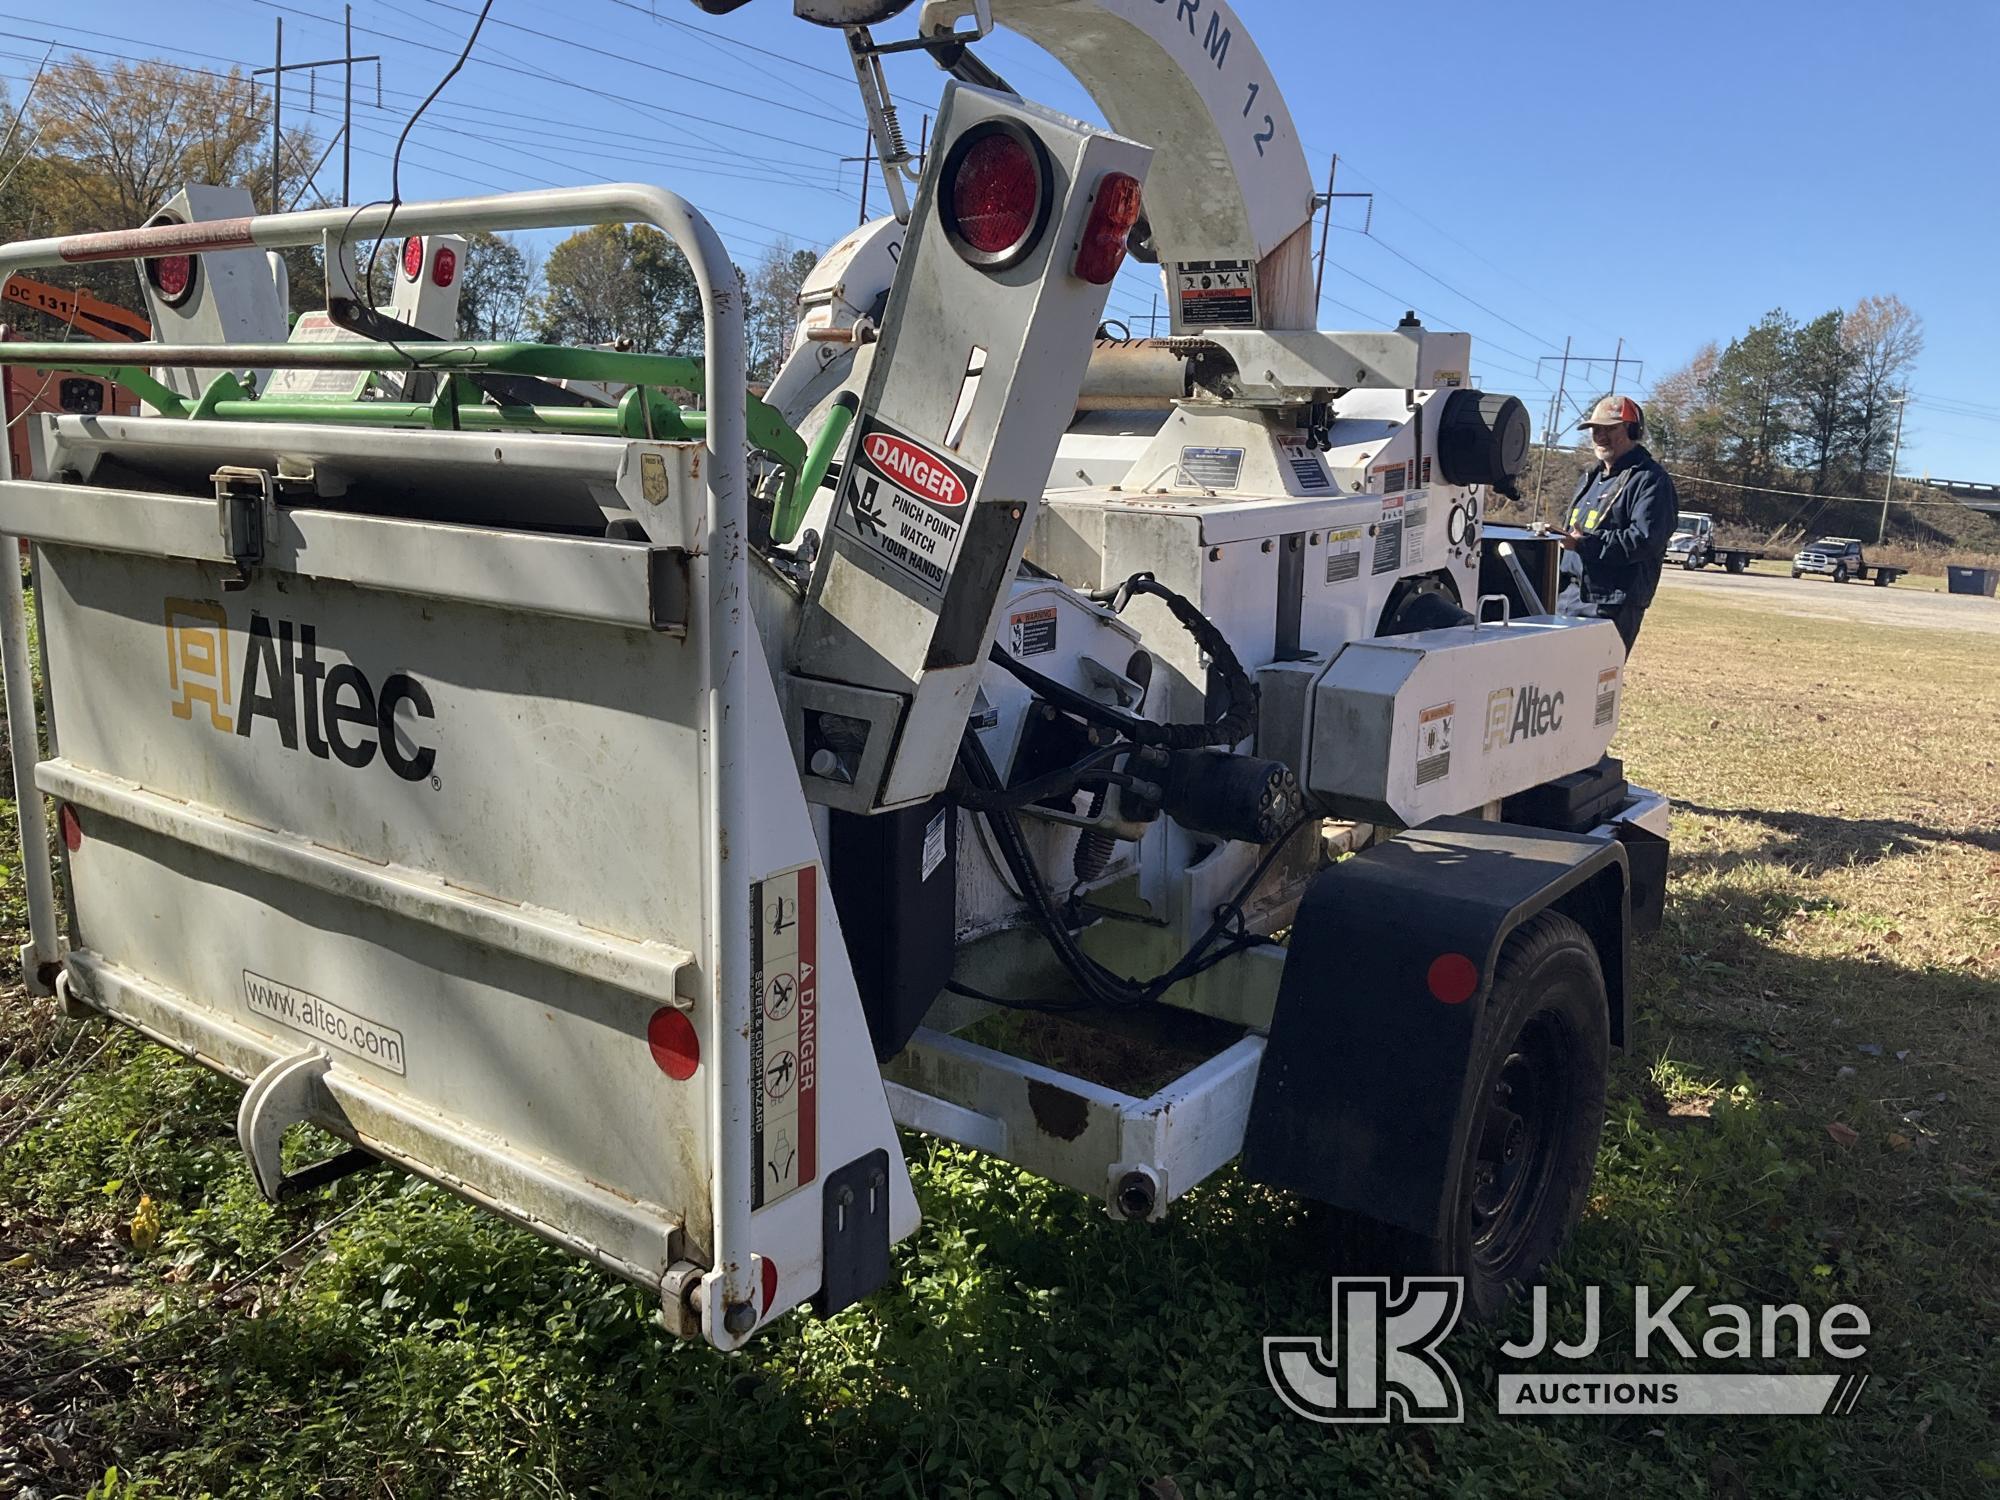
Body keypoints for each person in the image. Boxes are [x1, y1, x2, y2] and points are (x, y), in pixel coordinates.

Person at [1557, 394, 1678, 654]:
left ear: (1633, 430)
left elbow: (1644, 540)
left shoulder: (1650, 480)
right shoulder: (1591, 476)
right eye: (1595, 429)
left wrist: (1586, 544)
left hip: (1612, 604)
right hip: (1569, 597)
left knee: (1591, 684)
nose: (1601, 436)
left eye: (1610, 428)